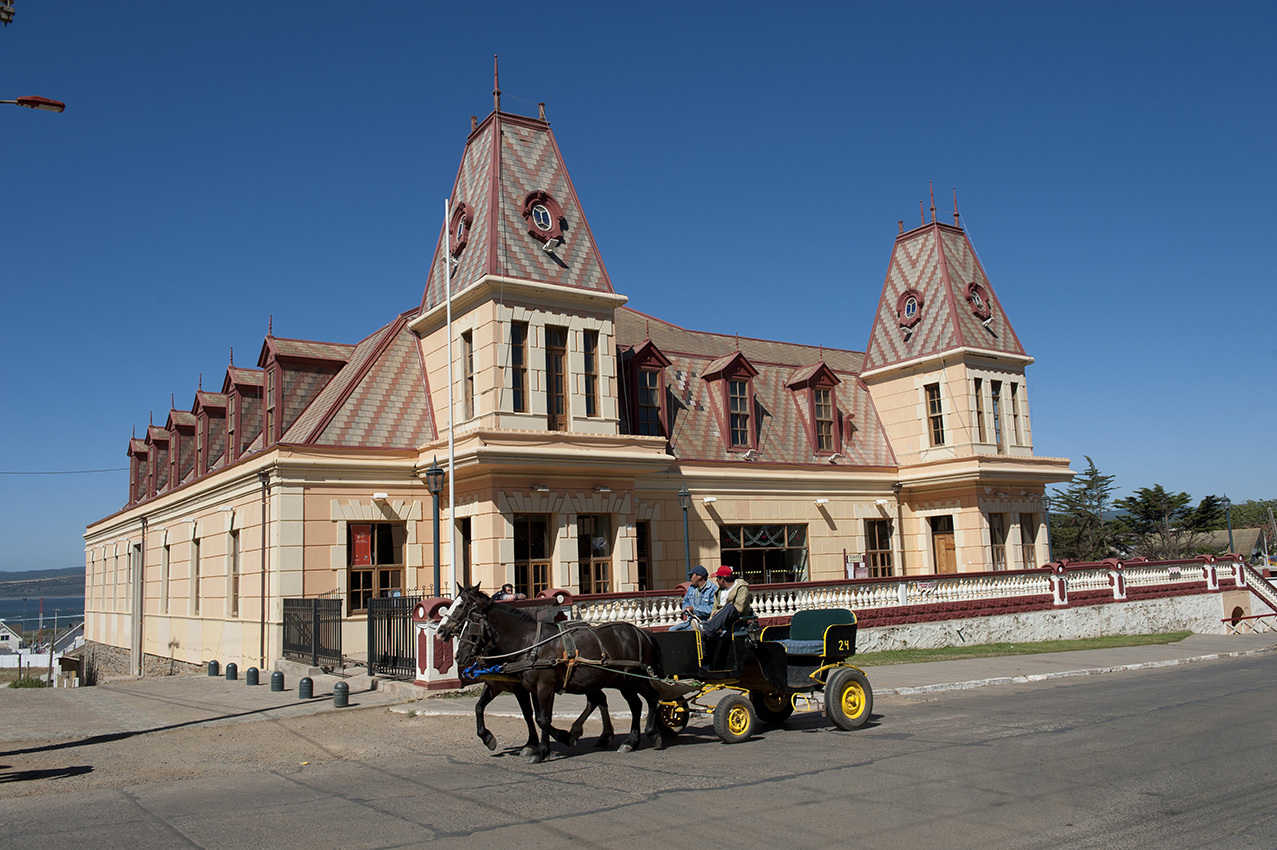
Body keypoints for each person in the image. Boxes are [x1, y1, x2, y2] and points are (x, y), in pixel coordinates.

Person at [692, 565, 753, 636]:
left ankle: (707, 628)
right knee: (705, 636)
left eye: (717, 578)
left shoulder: (741, 588)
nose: (716, 580)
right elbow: (714, 608)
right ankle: (707, 629)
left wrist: (718, 613)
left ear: (722, 579)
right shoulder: (719, 591)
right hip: (721, 621)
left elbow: (739, 608)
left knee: (729, 607)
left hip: (736, 619)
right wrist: (712, 619)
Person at [668, 565, 716, 631]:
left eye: (692, 575)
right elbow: (685, 601)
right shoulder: (691, 588)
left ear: (699, 576)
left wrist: (694, 610)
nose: (690, 578)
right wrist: (686, 608)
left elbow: (712, 609)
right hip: (691, 621)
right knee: (672, 630)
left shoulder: (713, 589)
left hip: (705, 622)